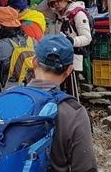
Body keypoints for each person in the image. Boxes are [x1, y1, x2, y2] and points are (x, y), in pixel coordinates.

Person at [27, 35, 97, 171]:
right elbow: (85, 167)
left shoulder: (4, 100)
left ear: (34, 62)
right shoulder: (73, 113)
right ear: (69, 70)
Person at [0, 6, 34, 123]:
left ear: (0, 27)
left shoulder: (0, 46)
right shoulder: (31, 41)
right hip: (29, 97)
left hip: (7, 99)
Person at [49, 0, 93, 87]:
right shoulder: (58, 14)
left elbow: (87, 38)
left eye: (59, 1)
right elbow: (39, 9)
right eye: (54, 2)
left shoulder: (78, 15)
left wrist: (72, 41)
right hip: (63, 56)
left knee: (72, 86)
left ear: (66, 0)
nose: (56, 4)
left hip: (75, 55)